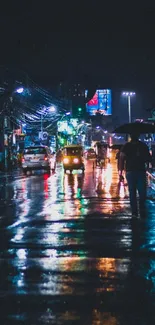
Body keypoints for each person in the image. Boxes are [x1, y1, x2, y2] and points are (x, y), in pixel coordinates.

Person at [119, 132, 152, 218]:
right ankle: (141, 209)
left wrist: (120, 172)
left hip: (131, 171)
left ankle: (135, 212)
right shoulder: (143, 146)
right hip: (140, 171)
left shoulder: (126, 146)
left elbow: (121, 159)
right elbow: (148, 159)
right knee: (141, 192)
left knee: (132, 192)